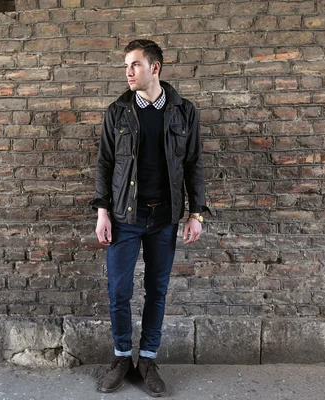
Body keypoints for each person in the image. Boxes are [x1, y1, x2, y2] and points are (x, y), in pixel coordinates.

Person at [89, 39, 210, 397]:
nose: (128, 72)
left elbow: (194, 165)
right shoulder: (118, 112)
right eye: (126, 65)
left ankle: (147, 359)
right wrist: (102, 212)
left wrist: (196, 213)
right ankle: (122, 357)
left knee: (156, 290)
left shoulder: (184, 112)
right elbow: (105, 165)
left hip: (165, 218)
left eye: (135, 65)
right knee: (118, 291)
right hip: (125, 216)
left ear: (154, 68)